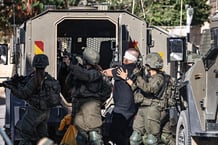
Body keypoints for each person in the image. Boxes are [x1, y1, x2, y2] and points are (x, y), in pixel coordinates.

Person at [117, 52, 175, 145]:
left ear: (149, 65)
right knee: (135, 139)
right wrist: (127, 79)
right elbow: (137, 87)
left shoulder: (159, 78)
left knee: (151, 140)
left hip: (154, 109)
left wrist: (138, 76)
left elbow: (149, 89)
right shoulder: (148, 77)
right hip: (143, 108)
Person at [3, 54, 56, 145]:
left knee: (24, 134)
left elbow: (23, 94)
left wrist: (11, 88)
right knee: (43, 136)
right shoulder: (49, 78)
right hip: (45, 112)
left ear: (34, 64)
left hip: (34, 112)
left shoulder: (35, 79)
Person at [66, 47, 105, 145]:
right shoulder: (80, 72)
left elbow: (86, 76)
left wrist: (72, 66)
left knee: (94, 137)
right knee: (80, 137)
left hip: (90, 108)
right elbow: (68, 83)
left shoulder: (95, 73)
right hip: (80, 109)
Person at [103, 48, 140, 145]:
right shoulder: (139, 71)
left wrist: (99, 69)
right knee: (127, 132)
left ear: (126, 59)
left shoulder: (121, 70)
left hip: (121, 108)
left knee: (115, 133)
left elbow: (106, 73)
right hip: (133, 107)